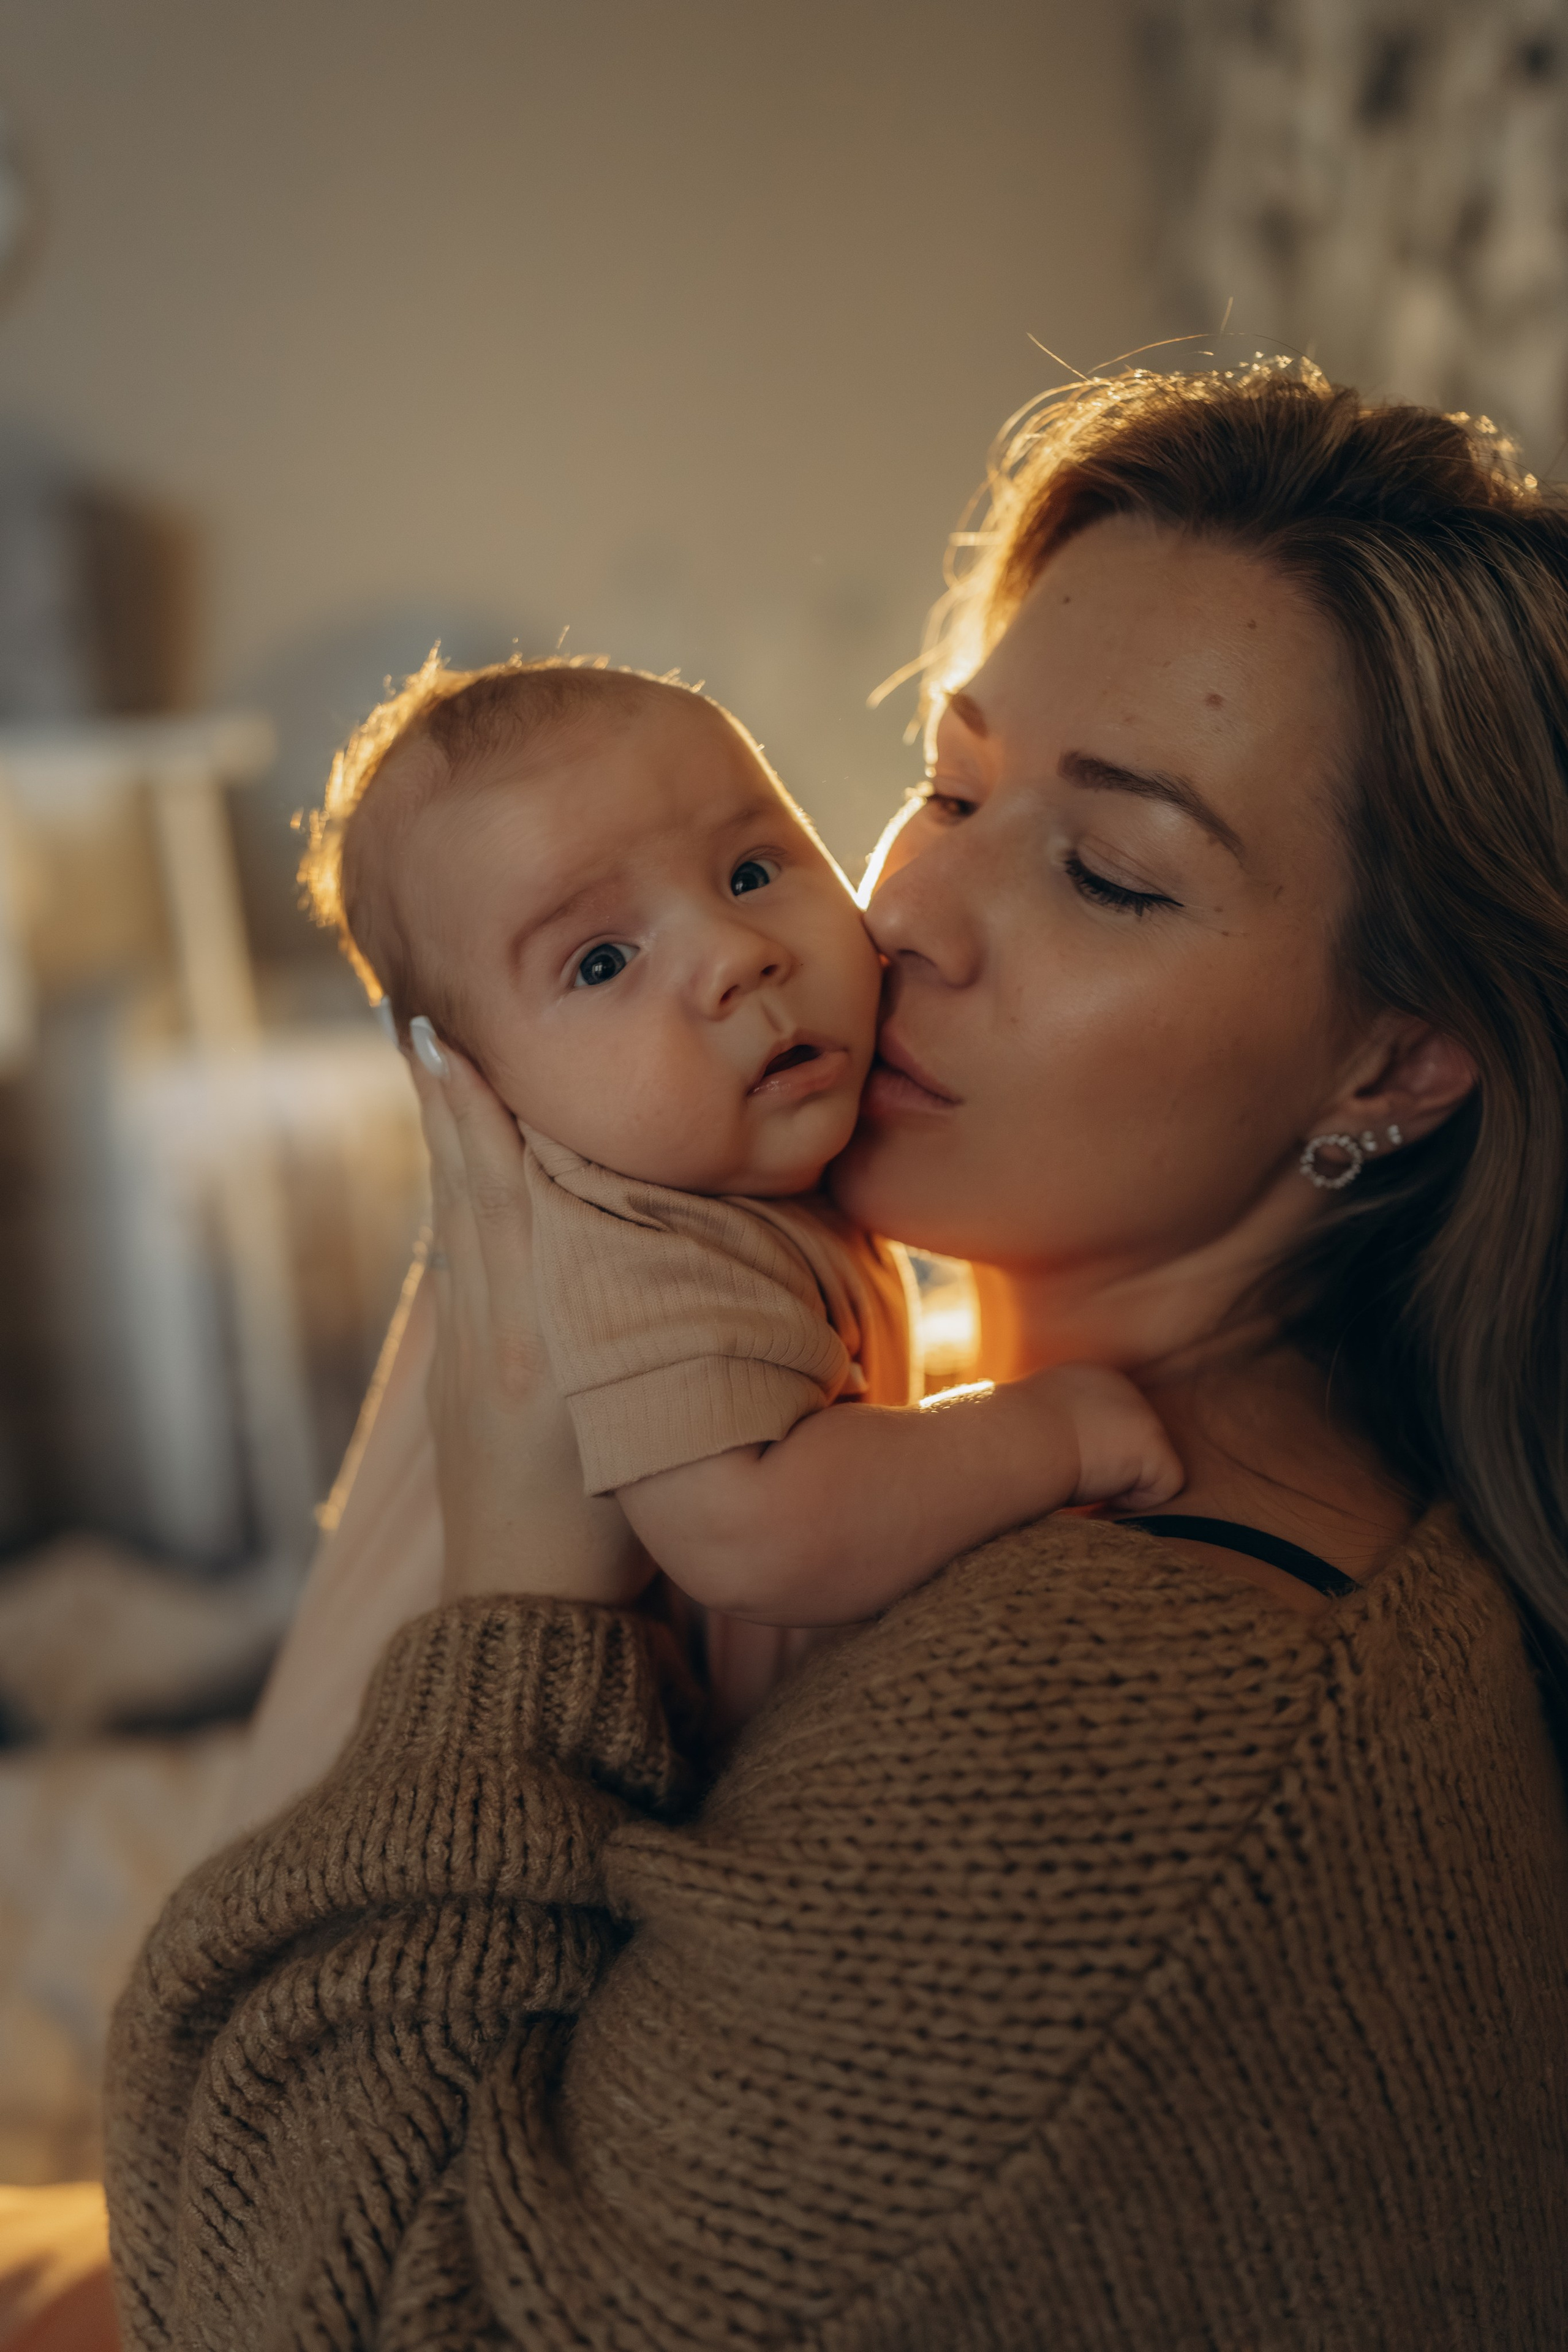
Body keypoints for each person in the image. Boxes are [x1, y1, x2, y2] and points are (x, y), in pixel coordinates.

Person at [104, 363, 1568, 2348]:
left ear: (1393, 1065)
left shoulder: (1115, 1722)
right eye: (951, 790)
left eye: (1113, 874)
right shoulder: (1053, 1468)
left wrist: (500, 1581)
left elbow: (311, 2315)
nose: (914, 916)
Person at [295, 652, 1178, 1703]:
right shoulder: (634, 1237)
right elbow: (751, 1530)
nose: (735, 952)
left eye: (751, 872)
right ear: (479, 1089)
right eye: (602, 962)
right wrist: (1049, 1431)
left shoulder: (727, 1176)